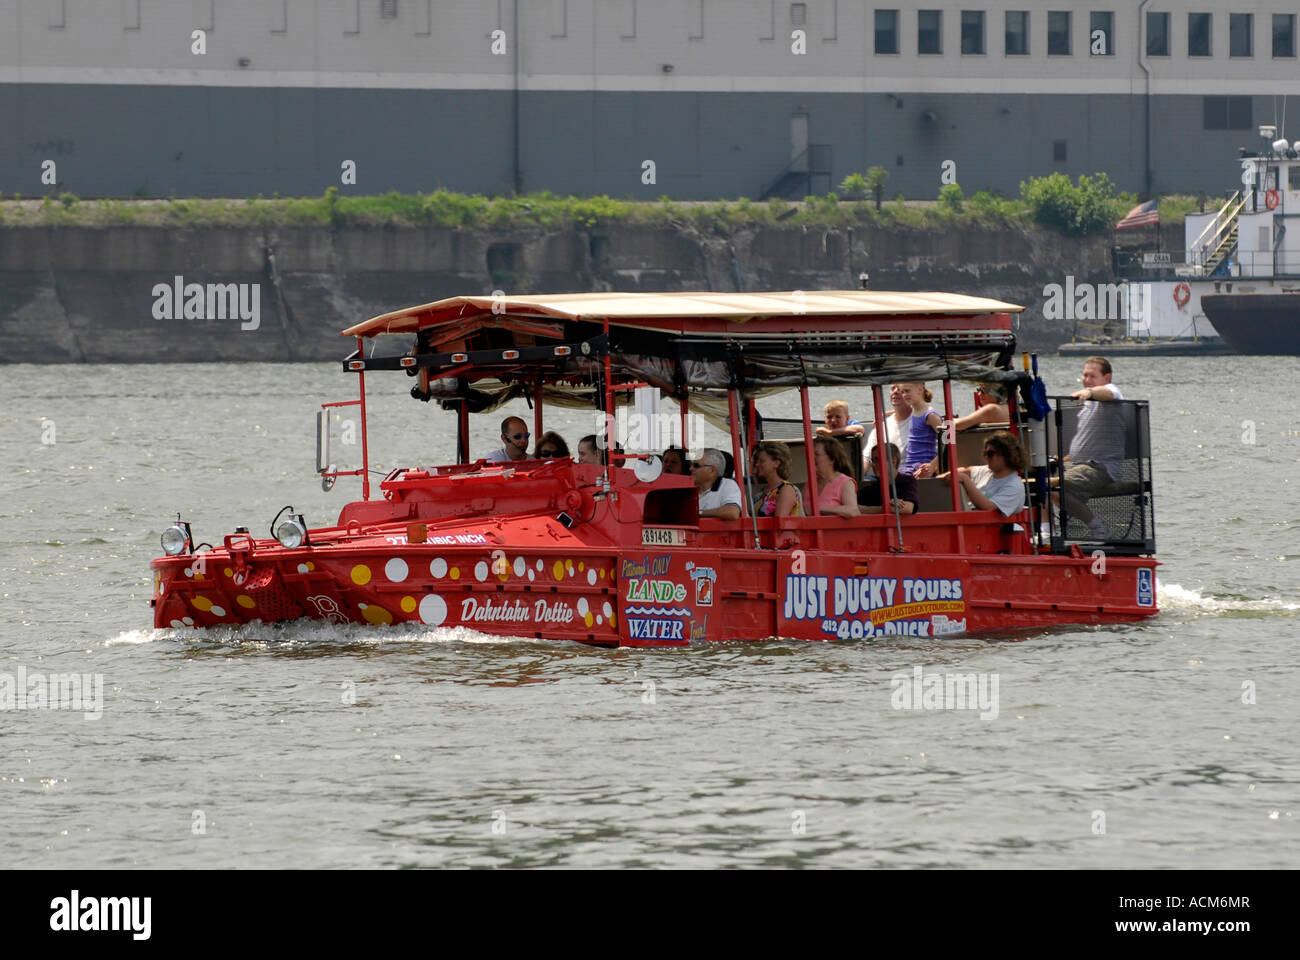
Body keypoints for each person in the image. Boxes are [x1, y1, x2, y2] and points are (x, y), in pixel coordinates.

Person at [1061, 356, 1126, 540]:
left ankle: (1099, 528)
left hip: (1101, 467)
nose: (1086, 380)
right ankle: (1044, 529)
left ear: (1107, 378)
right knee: (1040, 478)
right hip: (1079, 465)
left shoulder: (1111, 392)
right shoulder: (1087, 406)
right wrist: (1061, 459)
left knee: (1054, 486)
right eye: (1084, 375)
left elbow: (1108, 393)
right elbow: (1084, 443)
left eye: (1092, 376)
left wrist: (1090, 393)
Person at [949, 431, 1027, 517]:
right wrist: (941, 478)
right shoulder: (985, 471)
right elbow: (965, 470)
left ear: (1007, 455)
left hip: (996, 529)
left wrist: (965, 480)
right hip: (973, 525)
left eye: (990, 454)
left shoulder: (1014, 486)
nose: (986, 457)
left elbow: (987, 507)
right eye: (986, 453)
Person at [864, 383, 913, 474]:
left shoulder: (922, 420)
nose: (895, 391)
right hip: (885, 477)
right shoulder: (882, 425)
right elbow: (867, 458)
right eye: (892, 388)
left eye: (899, 388)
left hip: (911, 475)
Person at [804, 437, 859, 517]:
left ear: (832, 459)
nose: (811, 458)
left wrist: (818, 509)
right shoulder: (809, 484)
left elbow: (852, 510)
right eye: (810, 454)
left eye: (817, 454)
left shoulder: (845, 483)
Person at [859, 443, 918, 514]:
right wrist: (887, 507)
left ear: (893, 460)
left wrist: (870, 510)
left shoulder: (907, 481)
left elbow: (908, 508)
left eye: (877, 460)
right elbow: (855, 508)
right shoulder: (868, 490)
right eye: (873, 461)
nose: (873, 465)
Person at [899, 381, 943, 478]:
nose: (904, 395)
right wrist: (885, 414)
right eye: (902, 392)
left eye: (907, 391)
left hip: (921, 466)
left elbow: (949, 441)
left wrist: (932, 465)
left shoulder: (930, 415)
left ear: (920, 389)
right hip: (909, 465)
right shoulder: (914, 410)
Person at [751, 441, 803, 518]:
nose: (757, 464)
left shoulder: (786, 489)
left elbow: (780, 523)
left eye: (762, 461)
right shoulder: (761, 493)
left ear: (776, 463)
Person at [692, 448, 742, 519]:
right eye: (691, 465)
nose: (691, 468)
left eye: (696, 465)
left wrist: (699, 512)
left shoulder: (727, 485)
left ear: (712, 470)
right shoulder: (688, 488)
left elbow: (732, 512)